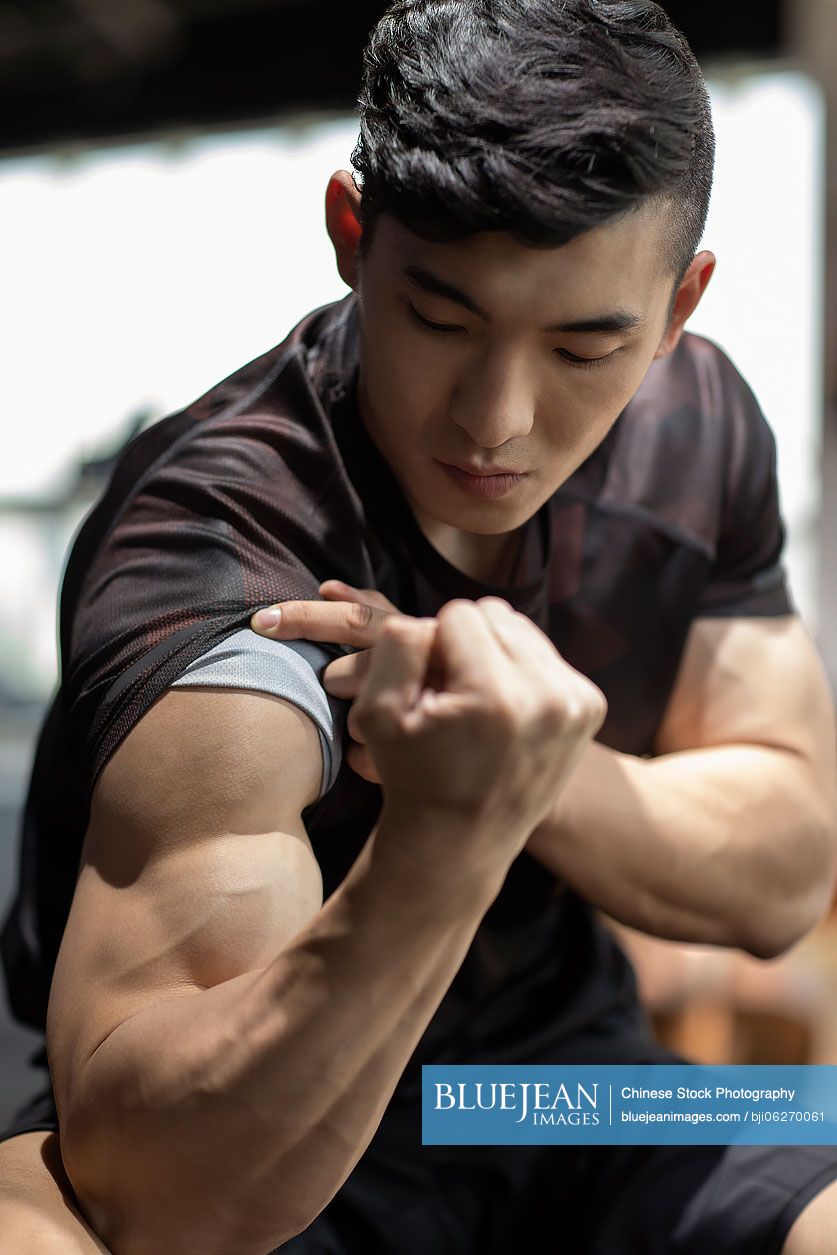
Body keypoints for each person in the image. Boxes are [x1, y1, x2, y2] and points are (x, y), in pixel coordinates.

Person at [1, 0, 836, 1250]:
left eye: (583, 347)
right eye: (442, 321)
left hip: (554, 1096)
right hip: (297, 1134)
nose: (498, 419)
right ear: (351, 234)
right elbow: (164, 1185)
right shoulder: (219, 542)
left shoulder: (695, 432)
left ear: (677, 310)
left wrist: (524, 776)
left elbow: (789, 874)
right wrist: (446, 835)